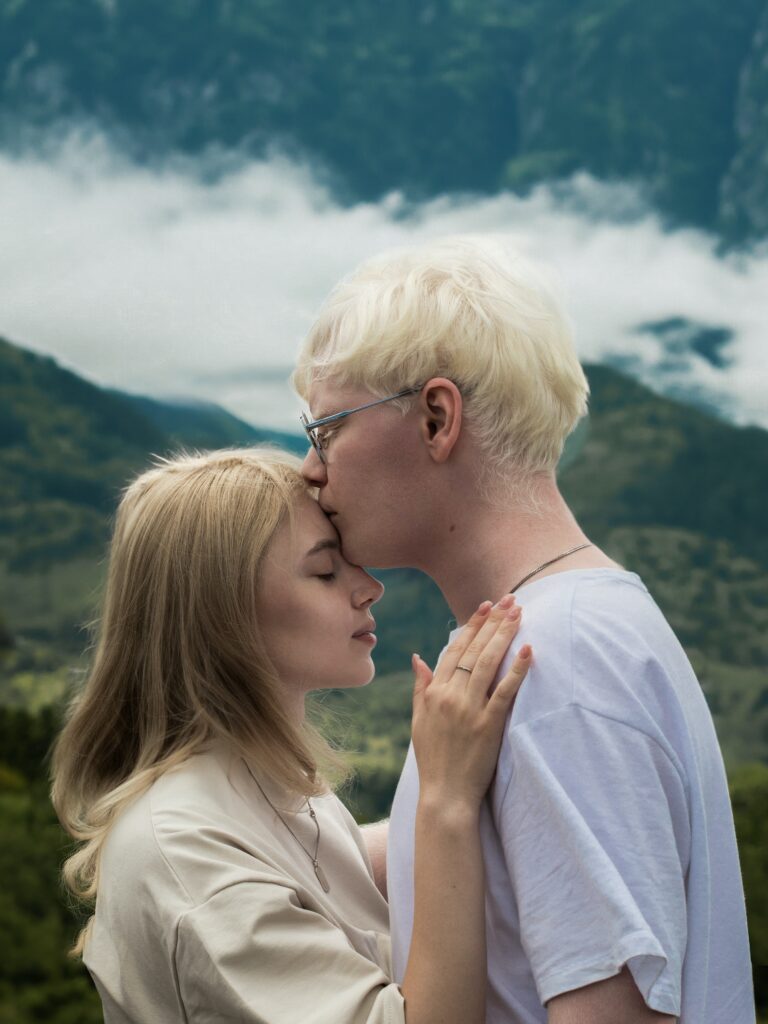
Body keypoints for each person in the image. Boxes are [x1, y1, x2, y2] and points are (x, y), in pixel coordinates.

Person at [294, 235, 755, 1023]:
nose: (310, 466)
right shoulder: (557, 637)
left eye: (326, 428)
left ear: (437, 417)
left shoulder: (556, 667)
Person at [51, 447, 532, 1024]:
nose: (369, 587)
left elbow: (333, 864)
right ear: (224, 615)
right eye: (326, 570)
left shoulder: (260, 784)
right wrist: (446, 799)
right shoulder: (185, 854)